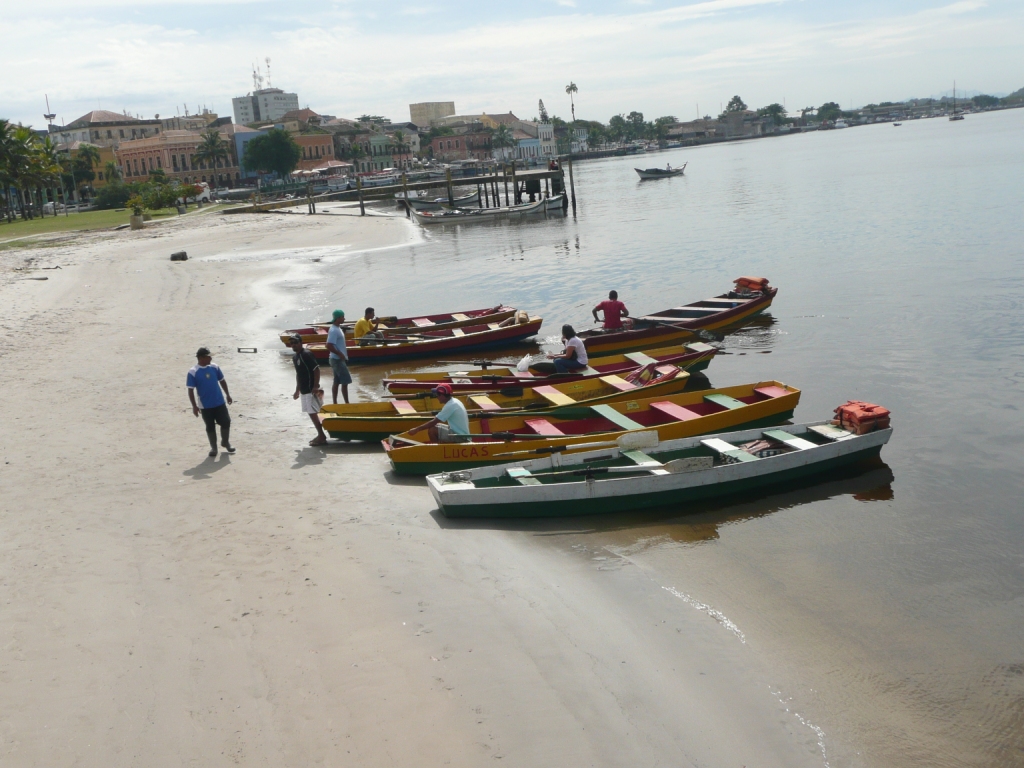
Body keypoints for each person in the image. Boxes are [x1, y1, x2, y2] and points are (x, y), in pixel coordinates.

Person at [187, 347, 234, 457]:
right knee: (210, 426)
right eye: (208, 356)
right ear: (201, 358)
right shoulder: (193, 372)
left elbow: (222, 381)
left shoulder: (215, 367)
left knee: (226, 421)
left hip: (219, 402)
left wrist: (227, 395)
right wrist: (194, 406)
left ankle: (225, 442)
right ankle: (214, 448)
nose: (211, 358)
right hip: (205, 405)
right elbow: (190, 390)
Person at [289, 334, 329, 446]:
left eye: (295, 342)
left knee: (315, 412)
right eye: (291, 343)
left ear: (300, 342)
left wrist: (315, 386)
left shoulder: (306, 354)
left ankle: (321, 435)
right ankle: (321, 434)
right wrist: (297, 390)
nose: (293, 345)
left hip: (312, 389)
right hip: (304, 389)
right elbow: (298, 374)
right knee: (313, 412)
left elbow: (316, 369)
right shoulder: (295, 357)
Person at [326, 309, 351, 404]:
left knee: (336, 381)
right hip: (337, 359)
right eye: (342, 317)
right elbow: (328, 345)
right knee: (345, 382)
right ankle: (347, 403)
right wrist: (340, 354)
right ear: (338, 318)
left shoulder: (338, 328)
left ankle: (335, 403)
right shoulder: (333, 330)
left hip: (336, 359)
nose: (344, 318)